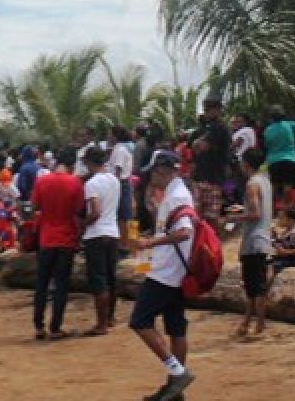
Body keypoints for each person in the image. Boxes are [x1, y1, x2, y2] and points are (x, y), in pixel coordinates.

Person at [128, 150, 196, 401]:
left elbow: (185, 232)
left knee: (140, 321)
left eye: (154, 172)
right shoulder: (177, 193)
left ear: (165, 171)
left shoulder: (176, 196)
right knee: (176, 328)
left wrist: (151, 244)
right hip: (176, 271)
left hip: (166, 273)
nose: (151, 178)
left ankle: (177, 372)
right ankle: (175, 390)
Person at [29, 147, 85, 340]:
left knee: (42, 283)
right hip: (66, 237)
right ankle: (55, 326)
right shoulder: (76, 182)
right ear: (71, 165)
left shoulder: (42, 181)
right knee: (61, 284)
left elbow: (35, 206)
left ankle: (38, 325)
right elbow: (78, 210)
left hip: (46, 237)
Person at [80, 146, 121, 336]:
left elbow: (95, 211)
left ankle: (101, 323)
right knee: (111, 277)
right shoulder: (114, 180)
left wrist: (82, 224)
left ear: (89, 162)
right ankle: (110, 317)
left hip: (96, 233)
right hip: (112, 232)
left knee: (99, 280)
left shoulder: (92, 183)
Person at [233, 148, 273, 337]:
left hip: (253, 241)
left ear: (246, 164)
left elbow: (255, 213)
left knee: (253, 287)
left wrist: (234, 218)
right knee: (255, 286)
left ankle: (258, 325)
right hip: (263, 239)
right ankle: (249, 323)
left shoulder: (252, 184)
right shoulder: (265, 181)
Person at [191, 96, 231, 228]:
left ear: (218, 110)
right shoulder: (208, 128)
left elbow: (201, 147)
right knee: (198, 217)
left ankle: (213, 245)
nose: (206, 112)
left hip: (213, 178)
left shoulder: (219, 127)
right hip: (203, 177)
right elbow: (194, 147)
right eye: (205, 109)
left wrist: (199, 143)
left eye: (209, 109)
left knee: (211, 218)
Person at [263, 106, 295, 209]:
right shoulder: (288, 124)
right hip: (290, 159)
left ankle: (272, 208)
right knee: (288, 184)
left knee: (274, 185)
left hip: (274, 160)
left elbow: (266, 145)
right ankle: (285, 207)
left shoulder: (267, 130)